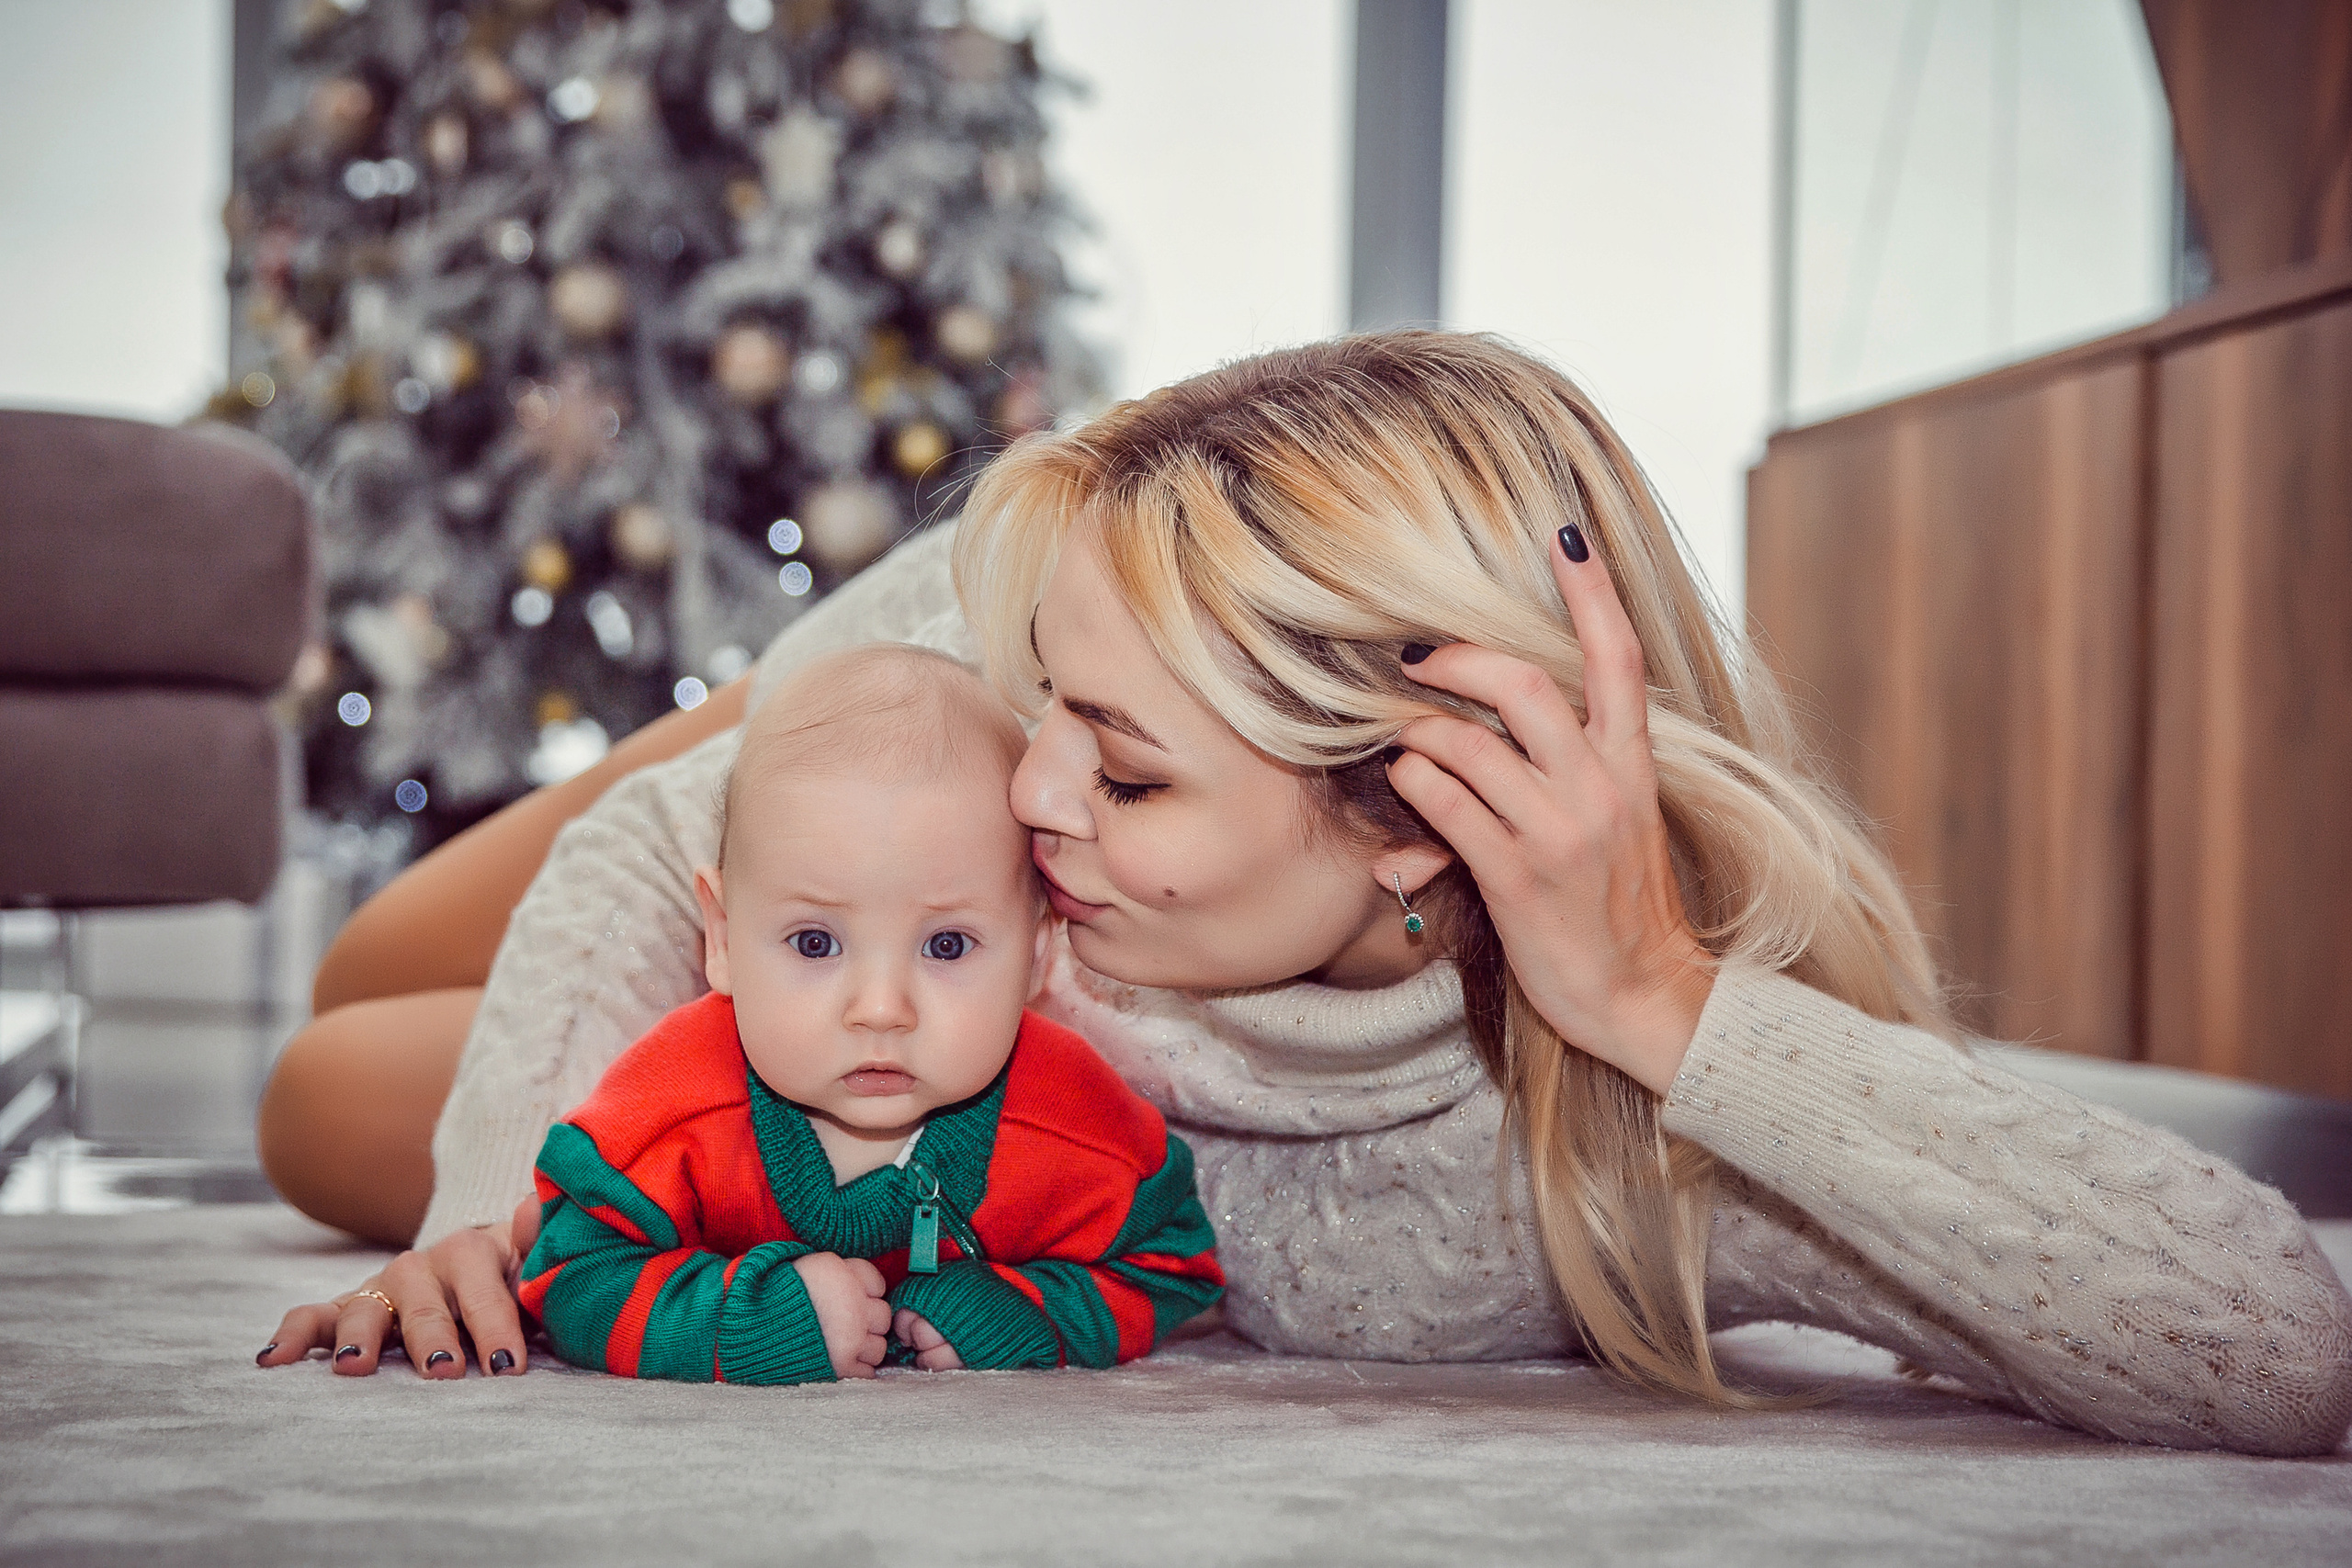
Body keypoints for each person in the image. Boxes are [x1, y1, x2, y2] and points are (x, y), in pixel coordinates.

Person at [257, 332, 2352, 1456]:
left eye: (1130, 763)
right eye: (1063, 724)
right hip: (867, 733)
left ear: (1412, 817)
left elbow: (2276, 1350)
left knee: (311, 1093)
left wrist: (1656, 1002)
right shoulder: (1005, 761)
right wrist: (472, 1213)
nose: (1038, 799)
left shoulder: (1630, 1147)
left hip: (942, 950)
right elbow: (651, 846)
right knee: (360, 1015)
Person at [515, 644, 1222, 1382]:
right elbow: (567, 1271)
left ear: (1038, 957)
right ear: (721, 939)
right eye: (815, 942)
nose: (881, 1009)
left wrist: (1025, 1312)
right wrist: (744, 1320)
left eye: (947, 944)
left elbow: (1173, 1264)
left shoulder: (1068, 1118)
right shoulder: (674, 1103)